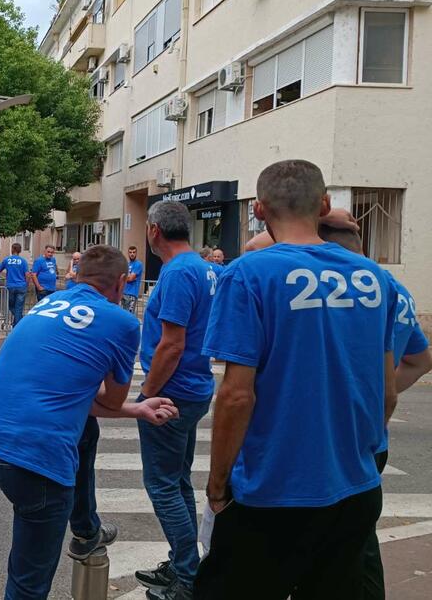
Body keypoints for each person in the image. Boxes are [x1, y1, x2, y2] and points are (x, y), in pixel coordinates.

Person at [195, 160, 397, 600]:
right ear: (323, 205)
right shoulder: (375, 279)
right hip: (354, 490)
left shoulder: (248, 274)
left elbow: (236, 396)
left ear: (259, 210)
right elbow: (386, 390)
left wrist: (217, 484)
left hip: (272, 492)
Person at [0, 245, 179, 599]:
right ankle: (85, 531)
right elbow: (109, 400)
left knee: (85, 432)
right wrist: (131, 405)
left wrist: (138, 410)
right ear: (120, 284)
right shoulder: (123, 322)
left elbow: (72, 397)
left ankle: (86, 528)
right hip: (36, 461)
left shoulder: (47, 304)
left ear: (77, 277)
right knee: (28, 585)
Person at [297, 224, 431, 600]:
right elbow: (421, 360)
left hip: (327, 437)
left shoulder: (326, 289)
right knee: (359, 539)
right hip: (372, 437)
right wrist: (376, 397)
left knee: (320, 545)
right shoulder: (392, 290)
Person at [134, 201, 218, 600]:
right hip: (192, 386)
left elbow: (172, 343)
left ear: (154, 231)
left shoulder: (180, 272)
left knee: (163, 485)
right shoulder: (203, 267)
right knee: (177, 480)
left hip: (172, 390)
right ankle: (184, 560)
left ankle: (187, 576)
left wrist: (148, 393)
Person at [0, 243, 30, 328]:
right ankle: (18, 323)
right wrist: (26, 285)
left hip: (10, 286)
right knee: (18, 308)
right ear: (20, 250)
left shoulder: (7, 260)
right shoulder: (23, 261)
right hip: (21, 286)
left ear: (12, 249)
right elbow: (27, 275)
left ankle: (17, 323)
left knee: (11, 306)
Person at [122, 246, 143, 314]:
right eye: (130, 252)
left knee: (130, 315)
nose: (132, 254)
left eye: (134, 252)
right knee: (124, 316)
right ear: (128, 253)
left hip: (132, 294)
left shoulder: (138, 264)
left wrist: (124, 277)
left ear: (136, 253)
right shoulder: (127, 264)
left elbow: (130, 278)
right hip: (124, 293)